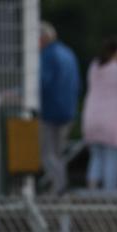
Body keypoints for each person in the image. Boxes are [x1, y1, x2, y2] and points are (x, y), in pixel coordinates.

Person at [82, 36, 117, 190]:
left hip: (92, 118)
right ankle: (109, 198)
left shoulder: (94, 67)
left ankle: (92, 195)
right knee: (113, 160)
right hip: (113, 121)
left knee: (96, 158)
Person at [39, 21, 80, 194]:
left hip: (50, 111)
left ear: (42, 38)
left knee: (47, 154)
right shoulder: (68, 53)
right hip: (68, 110)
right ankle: (59, 186)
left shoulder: (47, 55)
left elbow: (41, 82)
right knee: (58, 153)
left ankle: (59, 186)